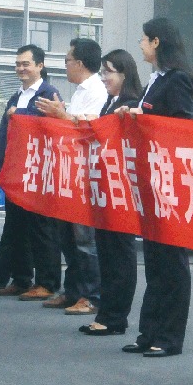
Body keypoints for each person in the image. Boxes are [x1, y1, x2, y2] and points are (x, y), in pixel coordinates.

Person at [117, 17, 193, 358]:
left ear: (157, 42)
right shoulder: (156, 80)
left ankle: (169, 337)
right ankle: (149, 332)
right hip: (151, 179)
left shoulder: (177, 80)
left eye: (144, 39)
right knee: (153, 260)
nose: (141, 45)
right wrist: (133, 114)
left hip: (171, 181)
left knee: (171, 261)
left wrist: (142, 119)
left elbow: (180, 126)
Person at [36, 38, 108, 315]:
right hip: (70, 172)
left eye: (67, 60)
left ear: (79, 63)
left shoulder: (96, 91)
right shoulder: (79, 91)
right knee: (67, 237)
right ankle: (73, 291)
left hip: (86, 172)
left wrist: (61, 115)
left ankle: (91, 295)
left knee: (85, 240)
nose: (65, 65)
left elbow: (89, 128)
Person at [73, 48, 142, 336]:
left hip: (121, 191)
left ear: (124, 73)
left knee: (119, 255)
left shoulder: (130, 103)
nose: (103, 78)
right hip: (104, 188)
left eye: (108, 72)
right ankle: (108, 312)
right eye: (102, 72)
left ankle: (115, 316)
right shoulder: (110, 102)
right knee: (107, 252)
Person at [0, 45, 63, 300]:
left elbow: (50, 130)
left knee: (42, 229)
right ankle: (21, 279)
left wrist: (18, 115)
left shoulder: (48, 94)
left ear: (40, 66)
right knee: (15, 227)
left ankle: (47, 282)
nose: (21, 68)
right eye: (18, 64)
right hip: (16, 174)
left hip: (39, 174)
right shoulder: (16, 96)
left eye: (26, 64)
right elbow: (3, 136)